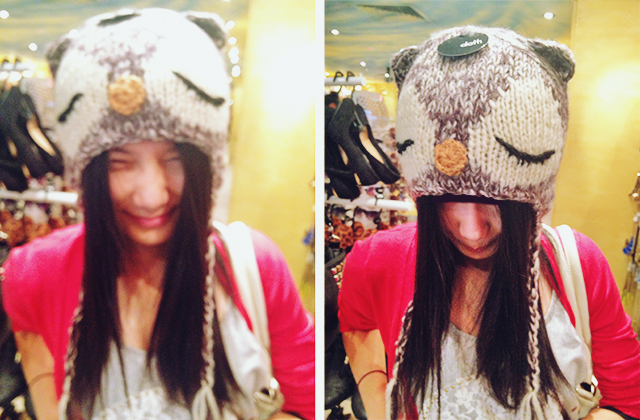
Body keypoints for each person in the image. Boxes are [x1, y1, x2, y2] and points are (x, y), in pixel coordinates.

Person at [1, 8, 314, 420]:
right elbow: (43, 379)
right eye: (120, 162)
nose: (152, 195)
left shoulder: (255, 266)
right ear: (85, 172)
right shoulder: (34, 273)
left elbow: (303, 403)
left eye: (175, 158)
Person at [338, 26, 640, 419]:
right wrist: (379, 402)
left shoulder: (578, 264)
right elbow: (356, 323)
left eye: (498, 203)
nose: (472, 229)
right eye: (445, 201)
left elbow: (627, 399)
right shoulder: (377, 259)